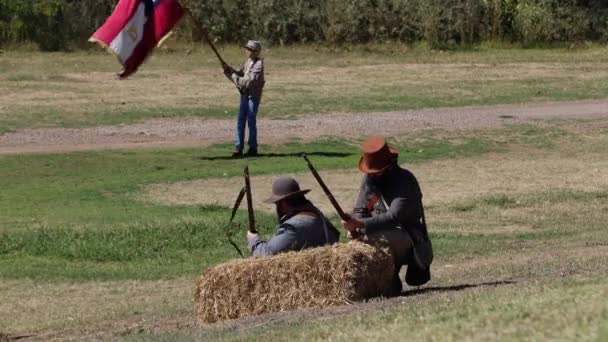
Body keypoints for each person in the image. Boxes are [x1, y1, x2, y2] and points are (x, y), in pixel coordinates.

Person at [342, 136, 433, 294]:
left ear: (389, 164)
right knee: (355, 243)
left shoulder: (405, 180)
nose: (373, 175)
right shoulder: (370, 179)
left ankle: (387, 281)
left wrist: (361, 225)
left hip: (410, 236)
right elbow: (360, 210)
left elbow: (394, 217)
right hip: (384, 232)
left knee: (372, 239)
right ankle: (383, 283)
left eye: (377, 171)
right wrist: (353, 227)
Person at [247, 177, 340, 257]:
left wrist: (253, 240)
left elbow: (265, 255)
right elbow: (335, 236)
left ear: (283, 203)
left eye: (277, 203)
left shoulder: (293, 226)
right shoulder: (315, 214)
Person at [223, 40, 265, 158]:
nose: (248, 52)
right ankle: (238, 147)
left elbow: (247, 82)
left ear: (256, 52)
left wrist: (231, 75)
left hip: (253, 96)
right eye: (247, 49)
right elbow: (240, 74)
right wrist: (229, 70)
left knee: (251, 119)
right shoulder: (247, 62)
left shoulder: (259, 65)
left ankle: (253, 148)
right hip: (244, 95)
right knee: (241, 120)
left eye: (251, 50)